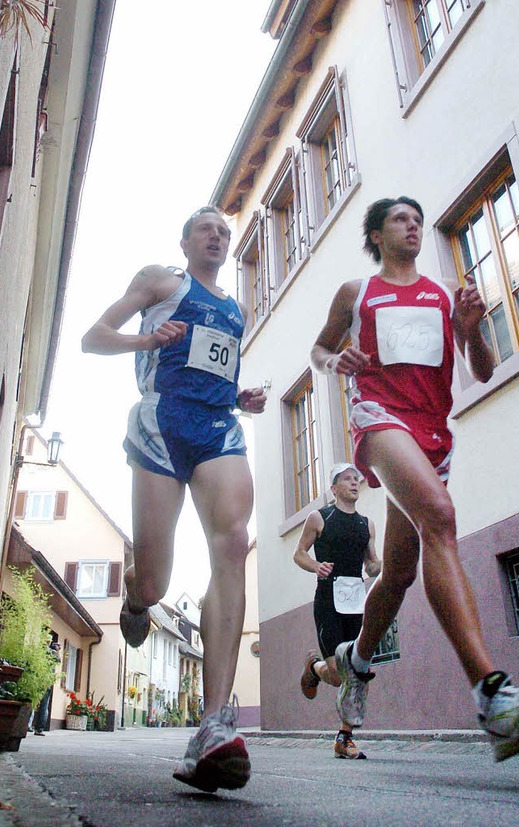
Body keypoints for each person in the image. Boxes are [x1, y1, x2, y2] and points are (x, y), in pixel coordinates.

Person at [310, 196, 519, 761]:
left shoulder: (446, 293)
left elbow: (483, 368)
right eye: (400, 219)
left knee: (399, 572)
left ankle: (354, 662)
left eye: (417, 220)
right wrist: (336, 363)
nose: (413, 227)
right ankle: (493, 698)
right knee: (442, 521)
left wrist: (472, 330)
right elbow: (319, 350)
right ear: (376, 234)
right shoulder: (358, 293)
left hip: (432, 434)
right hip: (378, 418)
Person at [81, 206, 266, 792]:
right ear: (184, 241)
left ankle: (214, 723)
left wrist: (240, 395)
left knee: (233, 542)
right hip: (161, 423)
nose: (217, 236)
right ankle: (138, 598)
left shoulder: (236, 310)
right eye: (207, 229)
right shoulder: (161, 280)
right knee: (158, 584)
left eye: (225, 233)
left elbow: (211, 366)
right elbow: (95, 338)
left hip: (218, 428)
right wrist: (148, 335)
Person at [294, 462, 381, 759]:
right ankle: (314, 668)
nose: (355, 483)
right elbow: (299, 553)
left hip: (357, 603)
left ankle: (345, 738)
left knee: (357, 671)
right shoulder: (320, 518)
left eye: (356, 479)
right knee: (337, 673)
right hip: (328, 601)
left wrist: (380, 566)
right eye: (347, 479)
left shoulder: (366, 524)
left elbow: (371, 562)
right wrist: (316, 566)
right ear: (334, 488)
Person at [33, 640, 61, 735]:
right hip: (46, 680)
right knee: (44, 704)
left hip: (36, 678)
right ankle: (39, 728)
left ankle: (28, 725)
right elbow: (58, 660)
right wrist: (57, 650)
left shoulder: (37, 651)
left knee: (32, 703)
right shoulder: (52, 652)